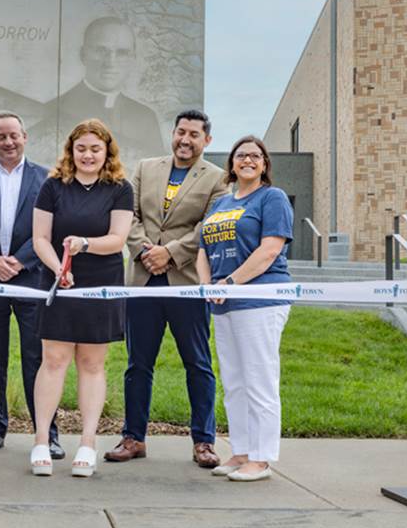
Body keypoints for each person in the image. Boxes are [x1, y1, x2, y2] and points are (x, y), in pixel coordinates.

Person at [106, 110, 228, 468]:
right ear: (172, 134)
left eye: (193, 134)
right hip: (143, 281)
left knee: (198, 364)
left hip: (186, 284)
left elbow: (209, 226)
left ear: (207, 140)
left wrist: (170, 254)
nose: (185, 139)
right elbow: (130, 216)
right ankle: (133, 437)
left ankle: (204, 441)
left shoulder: (217, 179)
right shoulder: (145, 168)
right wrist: (146, 251)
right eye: (180, 132)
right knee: (137, 364)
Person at [30, 118, 133, 478]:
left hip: (101, 279)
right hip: (60, 278)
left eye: (95, 148)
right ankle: (41, 440)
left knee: (91, 362)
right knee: (54, 359)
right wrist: (60, 267)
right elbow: (40, 237)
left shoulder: (120, 188)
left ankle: (88, 443)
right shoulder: (53, 186)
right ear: (71, 151)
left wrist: (85, 244)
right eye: (81, 148)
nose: (88, 155)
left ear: (107, 152)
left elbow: (118, 239)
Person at [195, 135, 293, 482]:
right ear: (232, 164)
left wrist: (231, 282)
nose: (248, 160)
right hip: (223, 303)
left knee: (259, 379)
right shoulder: (220, 205)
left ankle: (262, 458)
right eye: (241, 155)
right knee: (235, 381)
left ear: (265, 163)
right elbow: (202, 250)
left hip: (259, 300)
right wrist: (209, 286)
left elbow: (269, 250)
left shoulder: (272, 198)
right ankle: (241, 451)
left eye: (255, 155)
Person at [0, 111, 62, 458]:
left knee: (37, 359)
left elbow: (50, 230)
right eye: (1, 137)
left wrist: (21, 260)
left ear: (25, 136)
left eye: (14, 135)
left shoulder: (47, 179)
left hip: (32, 280)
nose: (8, 142)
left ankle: (46, 432)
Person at [47, 17, 164, 161]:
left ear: (133, 58)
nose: (111, 62)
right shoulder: (53, 111)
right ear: (83, 55)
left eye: (121, 52)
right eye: (101, 50)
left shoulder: (145, 118)